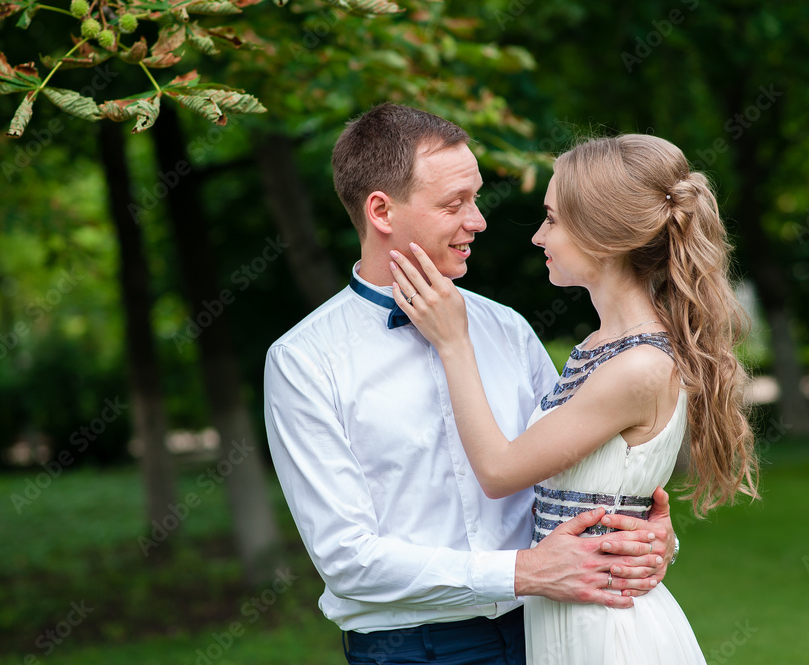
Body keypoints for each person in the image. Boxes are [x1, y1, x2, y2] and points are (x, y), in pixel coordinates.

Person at [263, 105, 678, 665]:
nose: (478, 220)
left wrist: (645, 538)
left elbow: (570, 470)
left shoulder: (506, 328)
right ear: (382, 211)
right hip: (417, 649)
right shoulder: (303, 361)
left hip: (552, 631)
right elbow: (347, 560)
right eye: (454, 203)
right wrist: (523, 572)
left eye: (475, 198)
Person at [388, 134, 760, 664]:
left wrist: (453, 342)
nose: (538, 236)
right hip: (571, 613)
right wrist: (652, 535)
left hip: (607, 632)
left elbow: (498, 471)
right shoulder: (599, 346)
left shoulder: (638, 366)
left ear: (603, 237)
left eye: (553, 220)